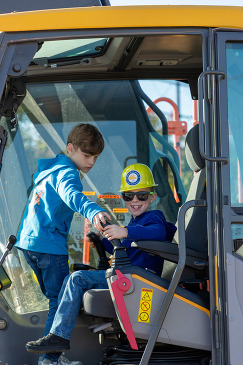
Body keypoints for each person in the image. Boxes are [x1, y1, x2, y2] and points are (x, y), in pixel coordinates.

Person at [25, 163, 176, 361]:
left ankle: (59, 336)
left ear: (153, 197)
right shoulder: (135, 222)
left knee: (77, 279)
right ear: (123, 198)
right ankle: (56, 339)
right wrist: (101, 239)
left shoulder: (154, 218)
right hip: (127, 276)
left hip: (139, 280)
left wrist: (125, 231)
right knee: (72, 278)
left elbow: (157, 234)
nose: (135, 201)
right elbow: (122, 248)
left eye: (142, 195)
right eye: (129, 196)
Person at [16, 123, 111, 365]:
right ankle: (50, 359)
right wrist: (93, 211)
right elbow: (73, 195)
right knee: (59, 302)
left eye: (96, 157)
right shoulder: (68, 173)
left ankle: (51, 358)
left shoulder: (51, 170)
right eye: (86, 155)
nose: (91, 162)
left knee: (54, 298)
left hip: (30, 243)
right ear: (71, 149)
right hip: (49, 246)